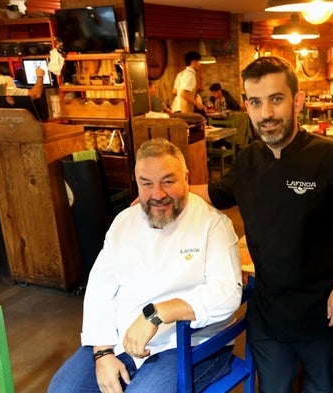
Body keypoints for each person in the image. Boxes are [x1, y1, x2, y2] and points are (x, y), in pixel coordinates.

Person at [190, 56, 333, 392]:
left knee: (321, 386)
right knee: (273, 387)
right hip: (269, 306)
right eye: (256, 102)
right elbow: (217, 194)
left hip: (323, 307)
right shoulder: (247, 160)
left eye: (276, 99)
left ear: (297, 100)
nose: (266, 114)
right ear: (246, 105)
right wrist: (168, 190)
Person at [48, 138, 243, 393]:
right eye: (146, 184)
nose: (157, 194)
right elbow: (101, 287)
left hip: (191, 345)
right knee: (62, 390)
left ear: (186, 177)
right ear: (136, 182)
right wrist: (102, 352)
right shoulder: (123, 223)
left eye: (168, 181)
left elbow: (228, 292)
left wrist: (157, 313)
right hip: (123, 340)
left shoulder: (213, 224)